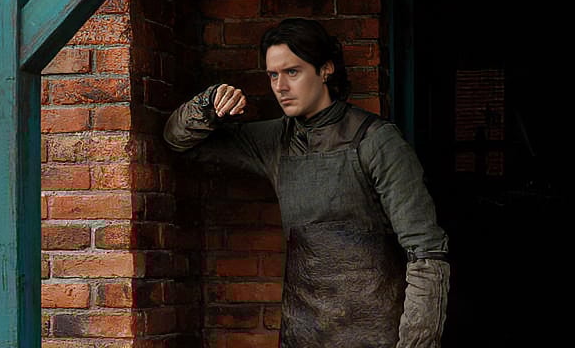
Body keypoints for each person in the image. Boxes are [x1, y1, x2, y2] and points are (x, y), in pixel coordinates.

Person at [164, 18, 450, 348]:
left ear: (325, 69)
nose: (280, 86)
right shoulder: (276, 141)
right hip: (302, 338)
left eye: (292, 72)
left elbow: (426, 254)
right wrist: (209, 105)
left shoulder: (377, 141)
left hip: (375, 338)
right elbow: (177, 141)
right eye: (273, 75)